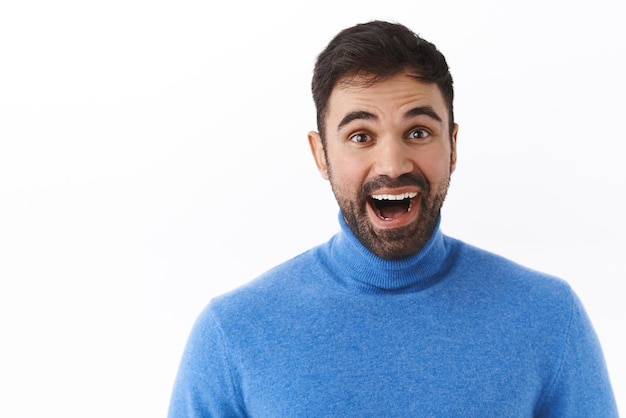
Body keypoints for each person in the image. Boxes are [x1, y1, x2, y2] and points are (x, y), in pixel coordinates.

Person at [168, 21, 618, 417]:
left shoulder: (549, 317)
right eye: (360, 136)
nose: (392, 163)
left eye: (418, 132)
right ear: (320, 155)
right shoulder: (232, 334)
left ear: (453, 146)